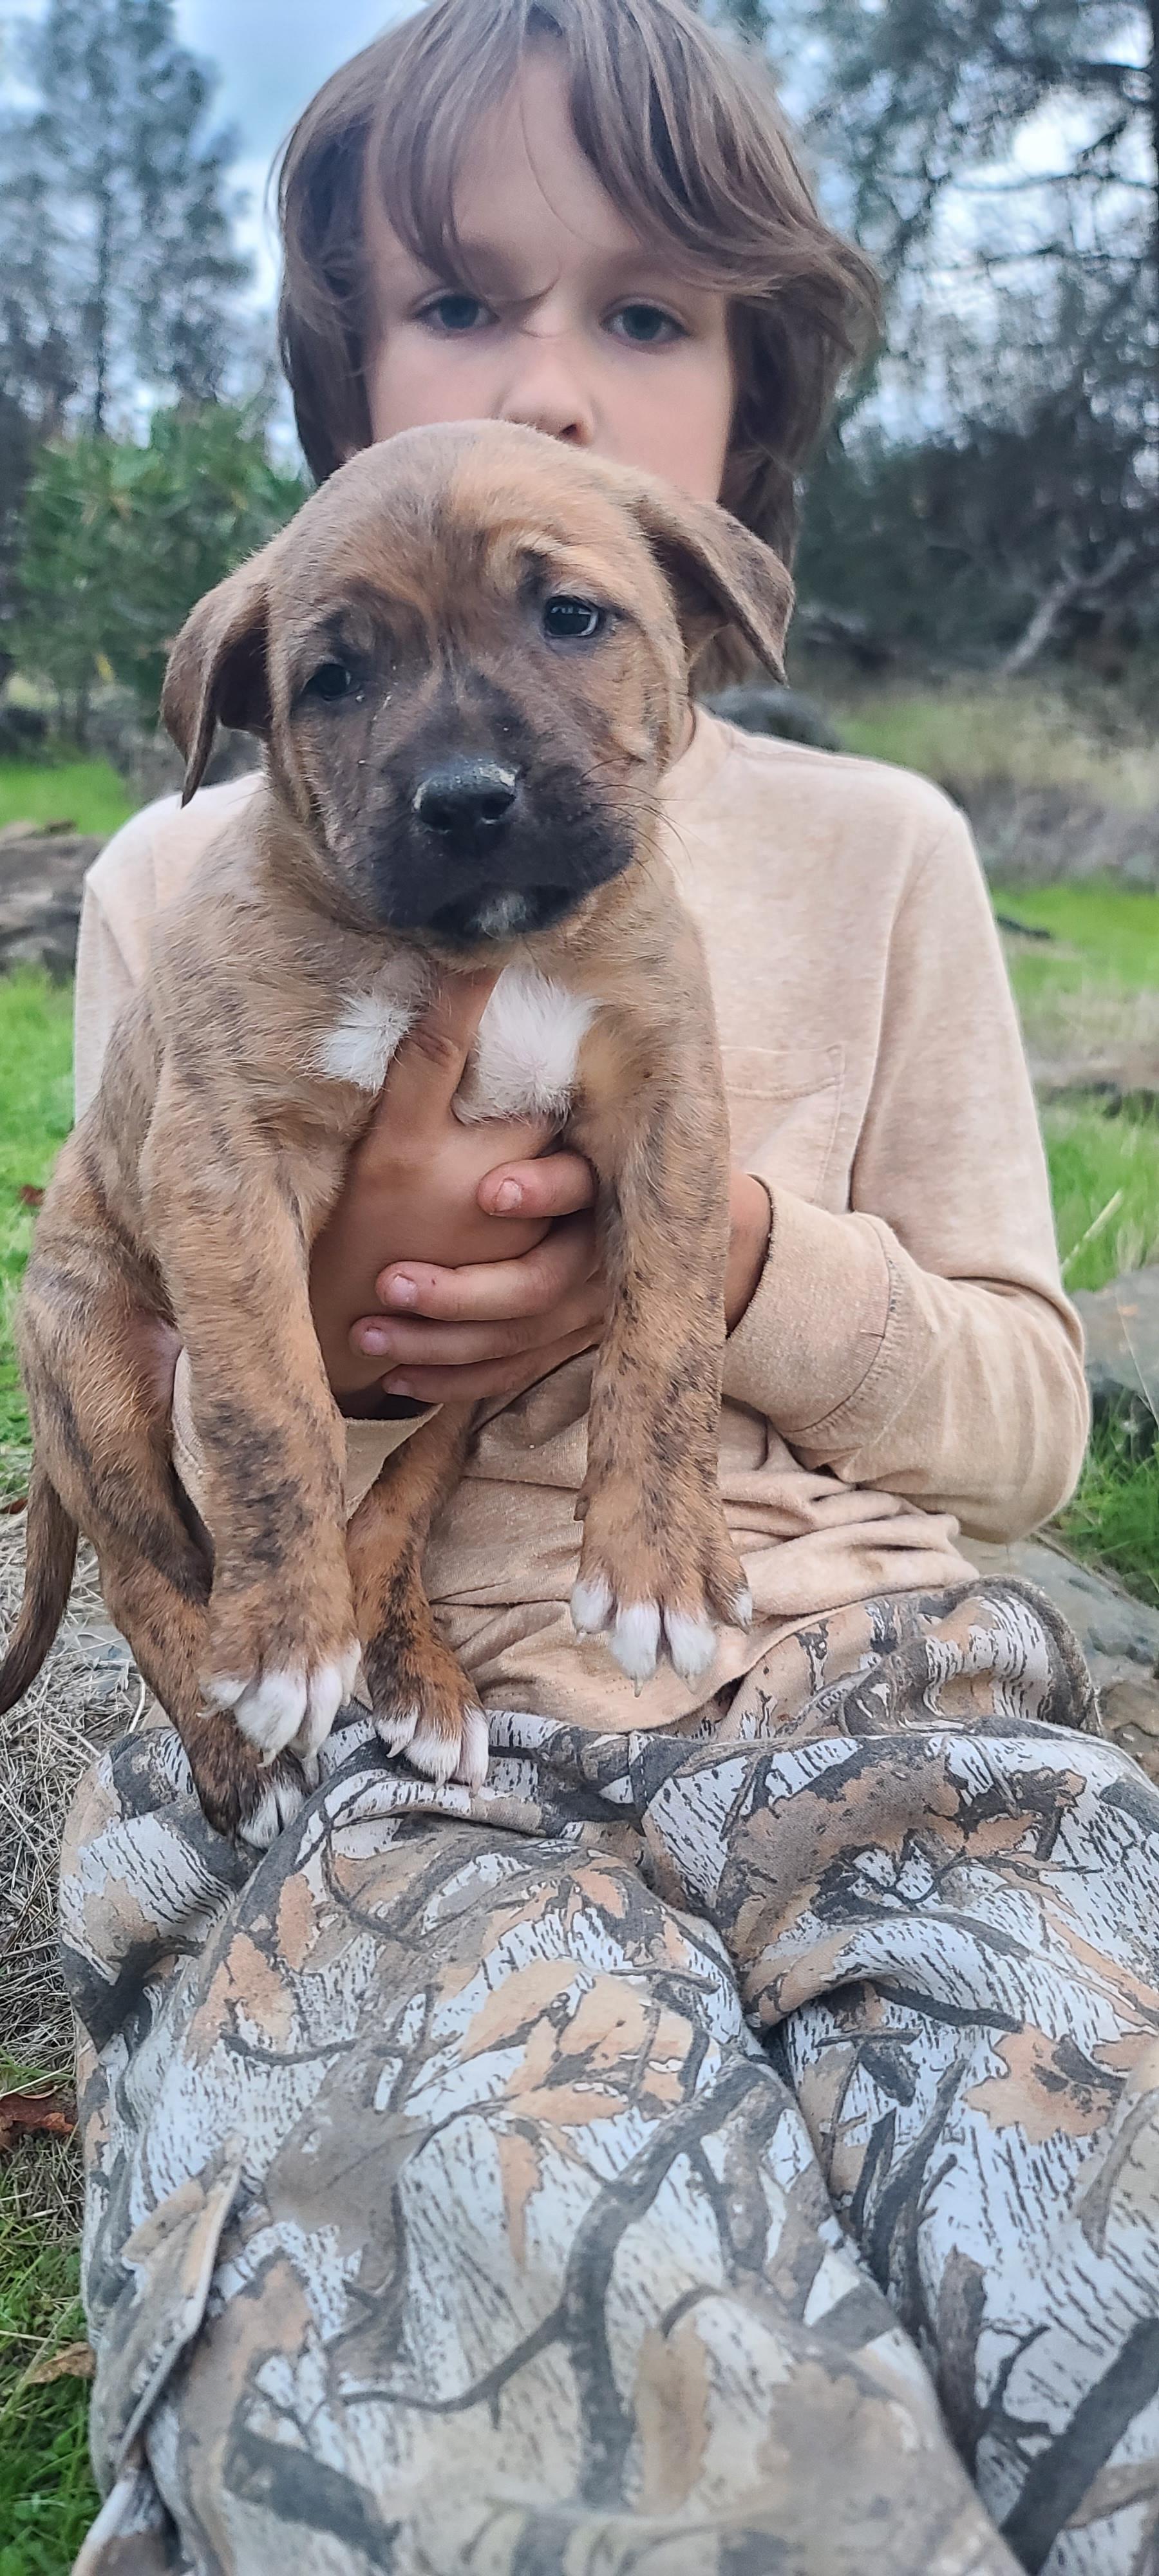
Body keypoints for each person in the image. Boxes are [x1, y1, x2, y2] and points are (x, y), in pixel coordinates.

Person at [61, 5, 1159, 2570]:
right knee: (607, 2414)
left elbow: (1025, 1412)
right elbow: (141, 1336)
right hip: (386, 1738)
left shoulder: (884, 851)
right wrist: (346, 1320)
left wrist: (729, 1251)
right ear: (346, 384)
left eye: (647, 319)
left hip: (871, 1695)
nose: (548, 370)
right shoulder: (177, 887)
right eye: (460, 307)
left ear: (723, 506)